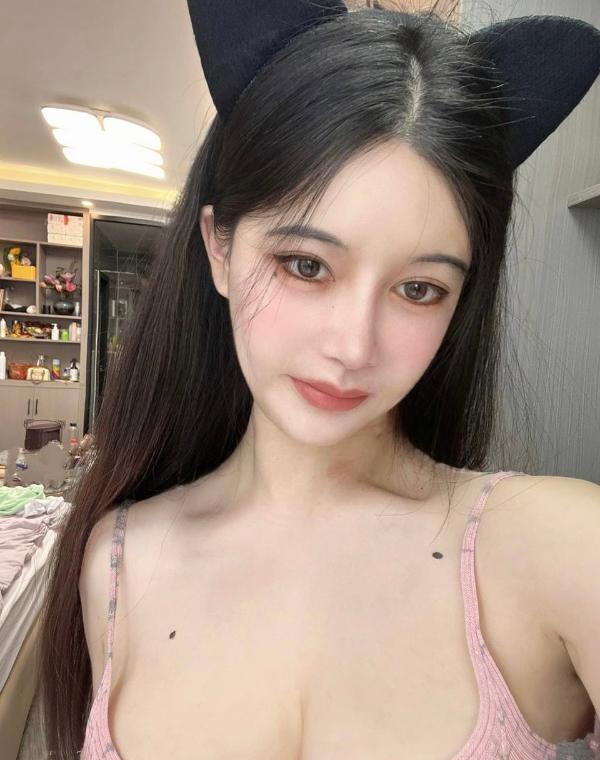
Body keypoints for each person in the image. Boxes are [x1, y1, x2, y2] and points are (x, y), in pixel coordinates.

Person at [38, 2, 600, 758]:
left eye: (419, 289)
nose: (353, 345)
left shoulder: (561, 550)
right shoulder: (116, 562)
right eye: (306, 265)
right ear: (219, 248)